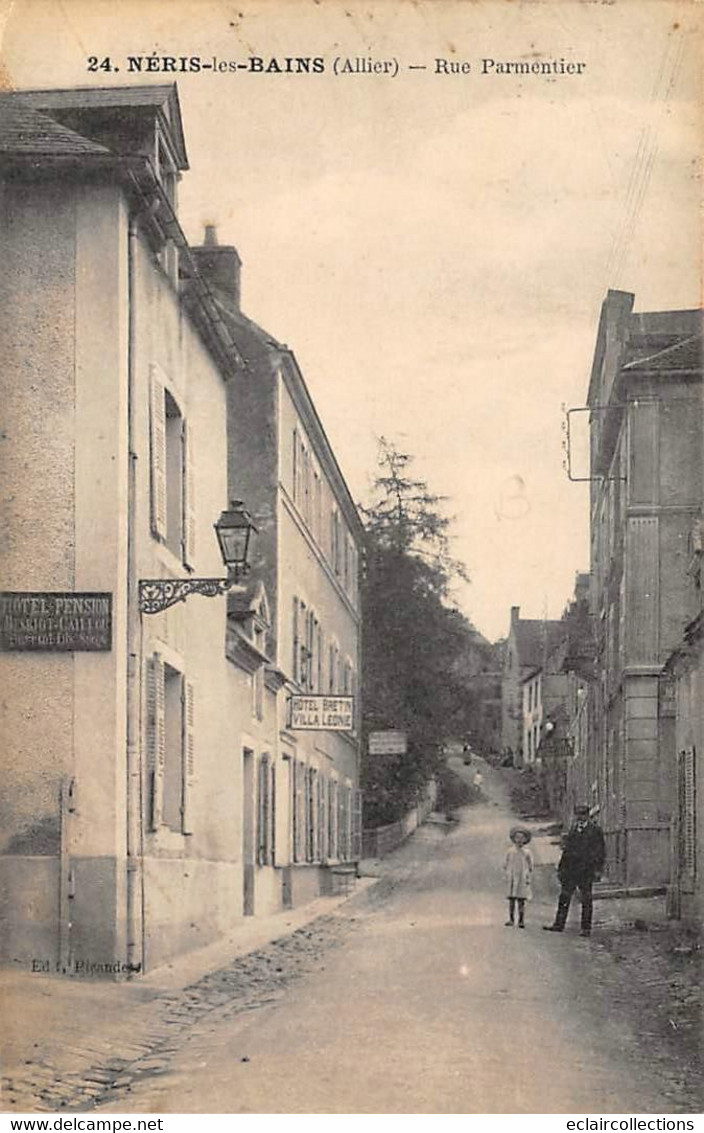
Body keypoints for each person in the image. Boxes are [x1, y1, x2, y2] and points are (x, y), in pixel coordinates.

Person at [543, 804, 605, 937]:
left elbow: (600, 852)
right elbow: (567, 851)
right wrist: (561, 868)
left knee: (586, 899)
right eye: (578, 815)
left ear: (588, 815)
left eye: (583, 814)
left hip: (586, 870)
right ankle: (558, 925)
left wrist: (598, 870)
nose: (580, 817)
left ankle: (586, 928)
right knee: (564, 897)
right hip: (570, 870)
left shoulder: (595, 830)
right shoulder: (572, 830)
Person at [504, 826, 533, 928]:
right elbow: (506, 864)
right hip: (512, 877)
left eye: (522, 838)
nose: (519, 840)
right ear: (513, 839)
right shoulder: (510, 851)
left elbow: (530, 865)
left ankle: (521, 920)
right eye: (517, 838)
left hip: (522, 877)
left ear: (525, 840)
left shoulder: (527, 852)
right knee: (512, 899)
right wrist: (508, 874)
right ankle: (511, 919)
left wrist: (527, 875)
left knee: (521, 900)